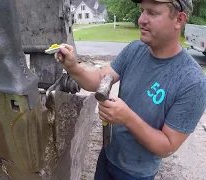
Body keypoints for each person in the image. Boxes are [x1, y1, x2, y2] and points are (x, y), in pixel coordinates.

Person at [55, 0, 206, 179]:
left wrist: (127, 118)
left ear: (179, 20)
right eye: (142, 11)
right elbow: (98, 80)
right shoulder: (135, 50)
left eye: (152, 13)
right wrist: (73, 67)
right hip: (108, 156)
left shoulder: (192, 81)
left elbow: (167, 146)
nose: (141, 19)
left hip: (136, 174)